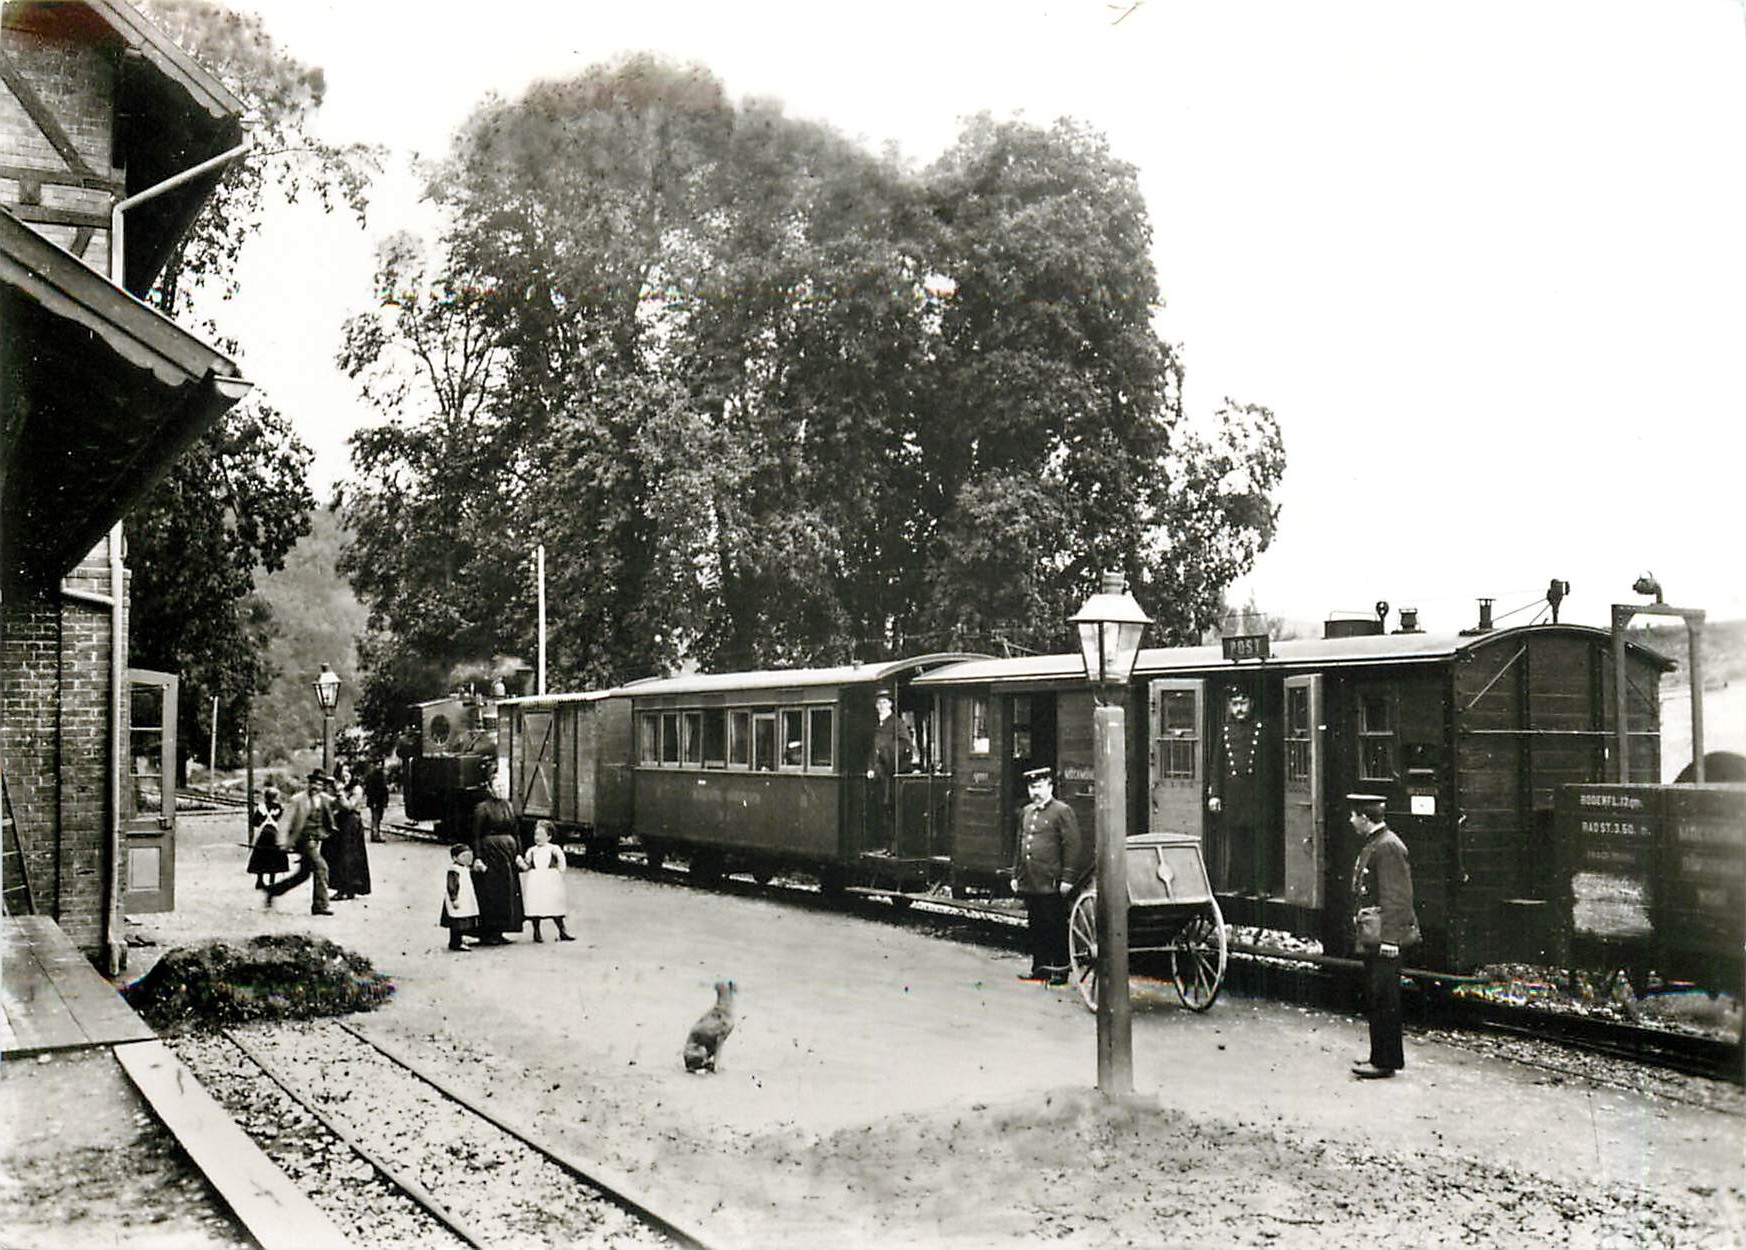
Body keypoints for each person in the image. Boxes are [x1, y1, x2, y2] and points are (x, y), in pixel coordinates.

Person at [1347, 793, 1421, 1080]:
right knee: (1377, 996)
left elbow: (1397, 898)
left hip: (1384, 939)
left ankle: (1386, 1061)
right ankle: (1379, 1056)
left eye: (1354, 815)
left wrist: (1391, 939)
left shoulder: (1387, 847)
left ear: (1365, 818)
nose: (1351, 820)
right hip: (1375, 936)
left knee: (1385, 998)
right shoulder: (1378, 843)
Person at [1009, 767, 1090, 986]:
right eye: (1031, 787)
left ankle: (1060, 970)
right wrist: (1016, 874)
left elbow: (1072, 846)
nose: (1034, 791)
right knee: (1036, 926)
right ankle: (1040, 968)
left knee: (1055, 926)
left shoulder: (1062, 811)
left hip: (1051, 881)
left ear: (1050, 787)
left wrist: (1068, 878)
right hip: (1031, 880)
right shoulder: (1027, 812)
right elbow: (1020, 844)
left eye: (1039, 787)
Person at [1206, 687, 1266, 894]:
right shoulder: (1225, 730)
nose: (1239, 709)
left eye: (1243, 703)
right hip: (1234, 795)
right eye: (1235, 704)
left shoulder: (1262, 728)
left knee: (1261, 841)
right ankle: (1243, 885)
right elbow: (1217, 764)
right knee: (1239, 842)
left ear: (1252, 704)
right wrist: (1215, 794)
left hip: (1258, 794)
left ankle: (1262, 886)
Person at [470, 759, 526, 945]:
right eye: (498, 786)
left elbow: (515, 832)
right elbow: (476, 835)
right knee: (491, 892)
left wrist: (518, 853)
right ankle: (488, 932)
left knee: (507, 892)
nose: (501, 789)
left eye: (504, 786)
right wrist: (477, 858)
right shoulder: (482, 808)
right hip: (490, 855)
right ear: (490, 788)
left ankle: (501, 930)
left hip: (507, 856)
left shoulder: (508, 806)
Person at [264, 770, 334, 915]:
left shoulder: (324, 798)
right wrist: (282, 842)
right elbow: (286, 820)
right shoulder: (298, 799)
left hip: (316, 839)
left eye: (320, 784)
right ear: (309, 784)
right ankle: (320, 905)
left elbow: (341, 805)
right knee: (321, 868)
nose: (316, 786)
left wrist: (338, 789)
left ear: (323, 786)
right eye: (313, 783)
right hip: (303, 839)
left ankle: (273, 890)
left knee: (303, 874)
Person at [864, 688, 915, 853]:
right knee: (881, 810)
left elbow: (905, 746)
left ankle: (893, 846)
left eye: (884, 702)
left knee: (891, 809)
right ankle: (885, 845)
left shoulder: (897, 723)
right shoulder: (877, 723)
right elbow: (872, 749)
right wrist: (871, 767)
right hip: (879, 775)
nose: (881, 705)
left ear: (891, 704)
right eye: (879, 703)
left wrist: (886, 754)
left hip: (891, 773)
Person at [520, 820, 576, 943]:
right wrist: (521, 863)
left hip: (550, 879)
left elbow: (562, 862)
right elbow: (526, 866)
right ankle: (536, 931)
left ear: (549, 836)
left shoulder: (553, 849)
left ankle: (562, 931)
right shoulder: (531, 851)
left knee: (554, 904)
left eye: (541, 835)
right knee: (536, 905)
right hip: (535, 880)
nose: (537, 838)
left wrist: (559, 873)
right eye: (536, 835)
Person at [326, 763, 372, 901]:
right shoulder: (342, 788)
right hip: (341, 822)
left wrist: (339, 793)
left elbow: (348, 806)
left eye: (348, 771)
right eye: (342, 771)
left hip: (351, 823)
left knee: (348, 856)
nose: (345, 774)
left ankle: (346, 888)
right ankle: (346, 887)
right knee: (340, 855)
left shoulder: (356, 789)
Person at [437, 843, 481, 952]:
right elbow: (452, 885)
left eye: (469, 856)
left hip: (465, 898)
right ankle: (456, 942)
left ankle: (458, 941)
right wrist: (454, 898)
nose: (468, 859)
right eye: (464, 856)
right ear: (455, 858)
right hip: (459, 898)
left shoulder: (464, 868)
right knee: (457, 921)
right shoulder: (454, 870)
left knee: (462, 920)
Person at [245, 784, 288, 891]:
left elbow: (255, 822)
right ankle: (272, 881)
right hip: (275, 834)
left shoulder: (261, 807)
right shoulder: (280, 808)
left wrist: (262, 822)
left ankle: (259, 880)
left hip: (263, 834)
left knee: (261, 856)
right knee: (274, 856)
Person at [364, 762, 391, 843]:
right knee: (376, 818)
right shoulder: (378, 776)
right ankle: (375, 835)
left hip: (375, 800)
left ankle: (375, 834)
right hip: (377, 800)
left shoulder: (371, 776)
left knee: (376, 818)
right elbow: (382, 789)